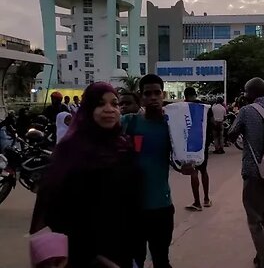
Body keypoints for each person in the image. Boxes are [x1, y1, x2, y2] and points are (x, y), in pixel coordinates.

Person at [30, 82, 141, 268]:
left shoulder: (124, 146)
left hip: (122, 246)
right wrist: (94, 255)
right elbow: (54, 207)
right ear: (87, 109)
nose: (109, 109)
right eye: (100, 104)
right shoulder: (71, 149)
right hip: (82, 253)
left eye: (114, 104)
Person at [121, 74, 175, 268]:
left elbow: (179, 161)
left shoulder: (172, 126)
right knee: (135, 260)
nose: (153, 97)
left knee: (161, 260)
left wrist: (188, 166)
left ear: (163, 94)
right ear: (141, 97)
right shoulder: (129, 122)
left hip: (162, 205)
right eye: (147, 93)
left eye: (157, 93)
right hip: (132, 208)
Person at [229, 77, 264, 268]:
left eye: (245, 91)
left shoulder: (246, 111)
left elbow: (232, 134)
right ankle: (261, 256)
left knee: (254, 220)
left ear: (250, 92)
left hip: (254, 171)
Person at [184, 87, 213, 211]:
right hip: (203, 141)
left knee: (193, 171)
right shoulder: (205, 107)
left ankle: (197, 202)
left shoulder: (183, 107)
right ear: (195, 95)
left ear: (185, 96)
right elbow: (211, 123)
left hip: (190, 142)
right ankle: (206, 199)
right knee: (204, 170)